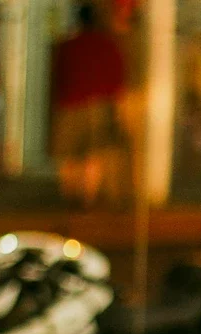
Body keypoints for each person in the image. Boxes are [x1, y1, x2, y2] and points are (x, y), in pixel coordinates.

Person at [51, 3, 127, 207]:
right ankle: (88, 199)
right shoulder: (107, 44)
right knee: (92, 155)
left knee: (69, 156)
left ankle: (69, 196)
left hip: (69, 103)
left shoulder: (68, 45)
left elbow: (58, 74)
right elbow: (117, 77)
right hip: (97, 105)